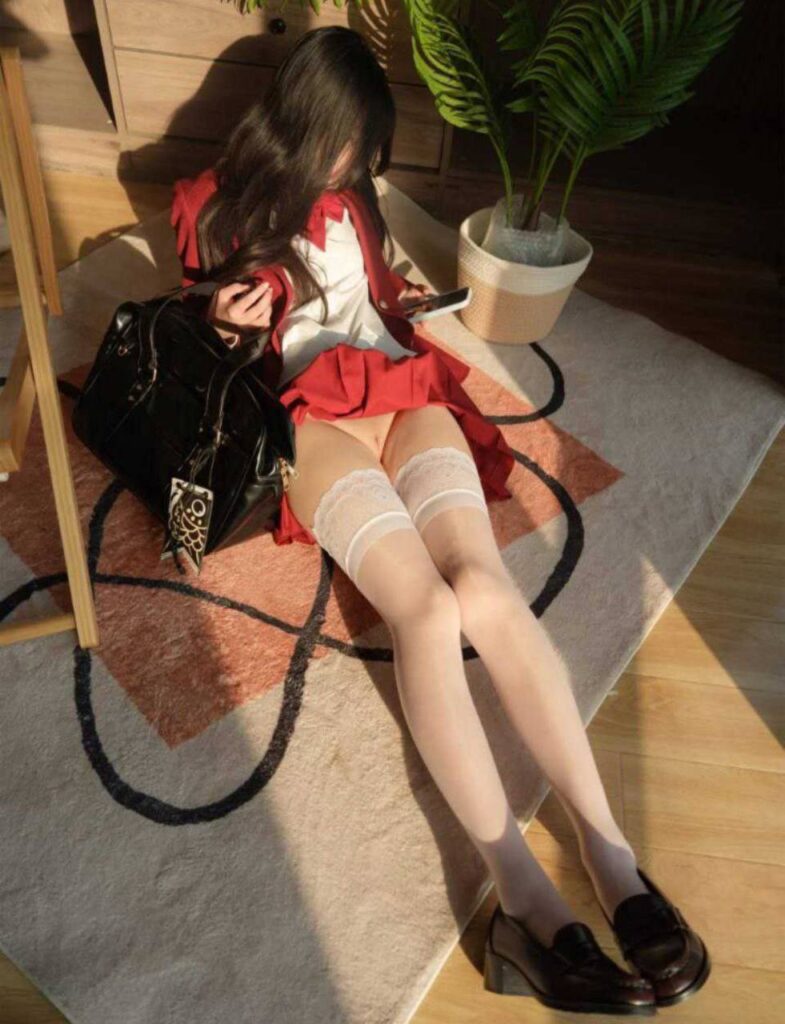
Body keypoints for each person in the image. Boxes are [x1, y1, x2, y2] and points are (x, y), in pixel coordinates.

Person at [169, 25, 709, 1013]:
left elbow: (371, 296)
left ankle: (609, 855)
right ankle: (521, 897)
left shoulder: (355, 196)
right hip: (305, 416)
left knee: (483, 588)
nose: (357, 164)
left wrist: (397, 297)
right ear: (304, 124)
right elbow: (193, 350)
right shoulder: (211, 203)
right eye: (350, 143)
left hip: (397, 386)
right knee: (422, 612)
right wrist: (221, 324)